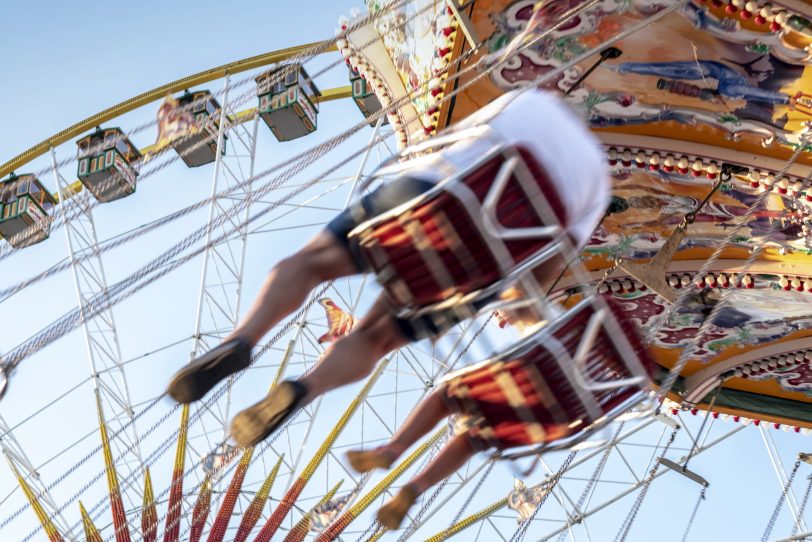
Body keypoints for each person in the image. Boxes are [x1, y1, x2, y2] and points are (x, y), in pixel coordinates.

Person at [166, 87, 610, 448]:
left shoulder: (528, 101)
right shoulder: (600, 183)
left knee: (312, 264)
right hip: (479, 268)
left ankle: (242, 340)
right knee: (378, 338)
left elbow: (457, 139)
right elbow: (550, 258)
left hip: (430, 203)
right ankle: (306, 388)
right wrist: (517, 303)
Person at [346, 298, 653, 530]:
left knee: (446, 398)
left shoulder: (584, 316)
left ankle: (392, 448)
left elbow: (533, 321)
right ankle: (415, 487)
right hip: (546, 419)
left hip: (518, 377)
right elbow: (605, 411)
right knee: (472, 441)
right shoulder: (622, 381)